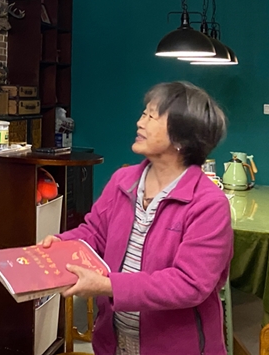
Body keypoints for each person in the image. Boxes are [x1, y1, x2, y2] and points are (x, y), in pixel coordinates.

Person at [42, 81, 232, 355]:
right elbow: (94, 233)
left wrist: (108, 286)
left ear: (182, 138)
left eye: (152, 117)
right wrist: (60, 245)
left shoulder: (208, 204)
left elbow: (189, 284)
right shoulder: (123, 180)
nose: (140, 123)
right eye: (144, 113)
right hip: (114, 341)